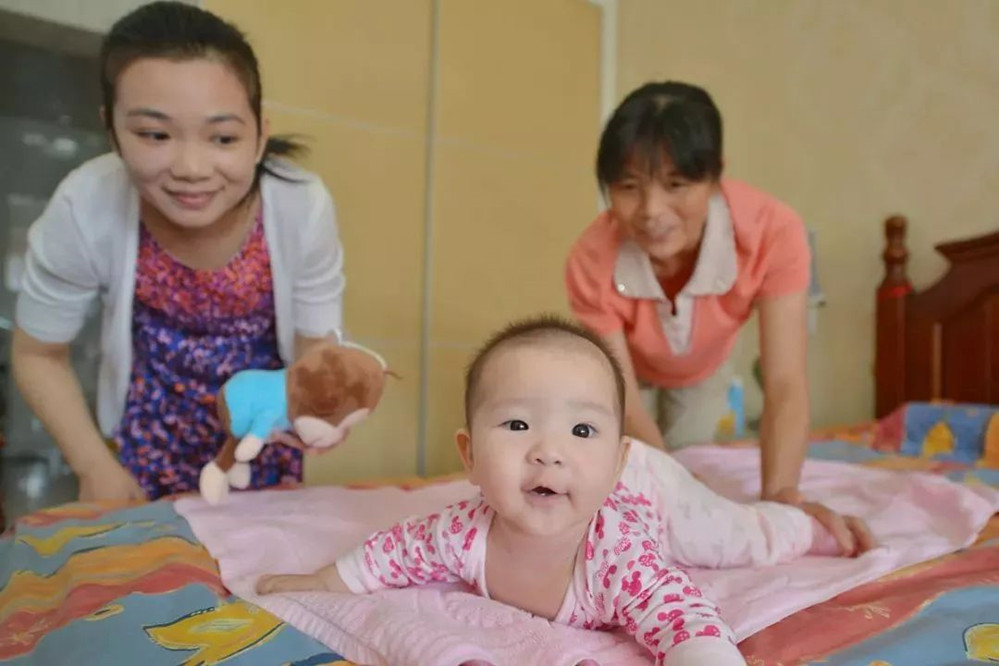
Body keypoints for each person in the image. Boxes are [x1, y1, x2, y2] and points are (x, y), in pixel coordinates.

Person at [256, 316, 870, 666]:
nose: (548, 450)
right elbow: (389, 553)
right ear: (468, 455)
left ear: (614, 453)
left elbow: (686, 623)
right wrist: (320, 584)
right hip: (613, 474)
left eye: (580, 428)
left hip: (651, 494)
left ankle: (808, 523)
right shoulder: (461, 532)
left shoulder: (620, 560)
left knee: (737, 538)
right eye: (518, 425)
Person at [12, 1, 345, 501]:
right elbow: (38, 353)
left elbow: (317, 345)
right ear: (112, 133)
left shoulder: (302, 206)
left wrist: (324, 402)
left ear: (259, 138)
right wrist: (93, 467)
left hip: (259, 444)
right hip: (144, 443)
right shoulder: (85, 205)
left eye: (223, 137)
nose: (192, 167)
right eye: (155, 134)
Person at [565, 81, 870, 552]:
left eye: (676, 185)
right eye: (628, 187)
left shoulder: (773, 232)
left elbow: (785, 380)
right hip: (620, 384)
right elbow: (620, 398)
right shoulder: (591, 256)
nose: (651, 212)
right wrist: (666, 493)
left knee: (692, 461)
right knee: (628, 484)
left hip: (700, 374)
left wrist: (780, 499)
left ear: (715, 177)